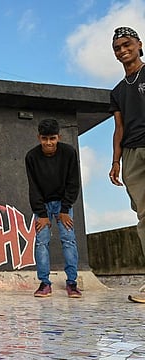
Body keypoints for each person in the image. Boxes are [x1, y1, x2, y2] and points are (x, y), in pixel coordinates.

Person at [25, 119, 82, 298]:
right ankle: (44, 284)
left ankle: (72, 283)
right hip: (42, 205)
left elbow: (74, 182)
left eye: (52, 138)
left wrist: (65, 209)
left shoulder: (69, 153)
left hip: (63, 203)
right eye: (44, 139)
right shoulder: (31, 156)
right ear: (38, 138)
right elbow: (33, 186)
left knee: (69, 240)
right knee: (41, 242)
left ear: (59, 137)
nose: (48, 143)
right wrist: (41, 213)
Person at [109, 26, 145, 294]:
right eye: (117, 48)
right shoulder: (118, 91)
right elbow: (118, 128)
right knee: (143, 215)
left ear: (139, 44)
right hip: (131, 153)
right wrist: (115, 161)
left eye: (126, 44)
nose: (122, 50)